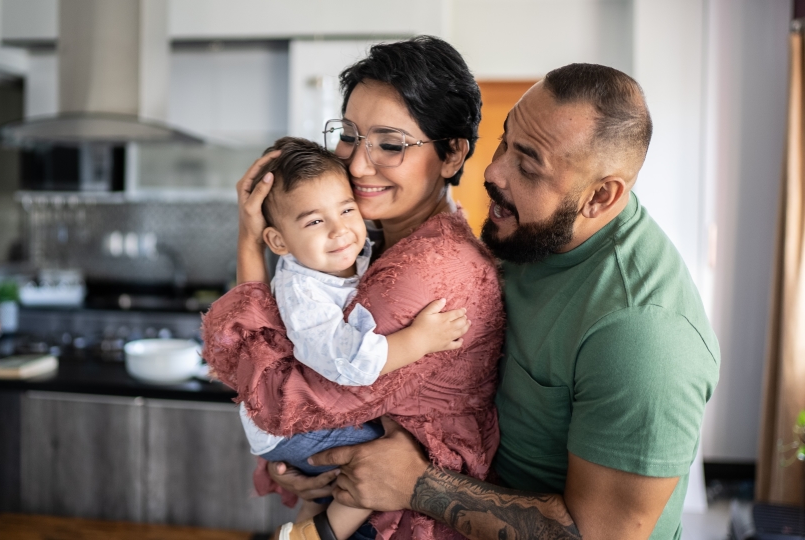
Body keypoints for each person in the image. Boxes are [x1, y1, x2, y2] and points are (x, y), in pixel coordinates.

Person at [307, 64, 721, 540]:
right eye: (504, 141)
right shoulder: (528, 235)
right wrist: (332, 465)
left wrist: (415, 484)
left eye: (527, 165)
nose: (492, 171)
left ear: (601, 197)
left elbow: (600, 535)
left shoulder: (644, 335)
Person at [201, 36, 505, 540]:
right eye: (349, 135)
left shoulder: (423, 273)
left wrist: (250, 246)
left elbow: (280, 404)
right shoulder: (371, 243)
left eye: (390, 144)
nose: (358, 166)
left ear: (451, 154)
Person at [219, 136, 472, 540]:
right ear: (279, 243)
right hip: (291, 427)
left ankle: (311, 516)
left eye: (347, 209)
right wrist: (420, 340)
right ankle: (317, 533)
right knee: (383, 458)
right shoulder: (303, 293)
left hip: (292, 422)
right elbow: (348, 363)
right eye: (315, 221)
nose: (341, 231)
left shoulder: (347, 254)